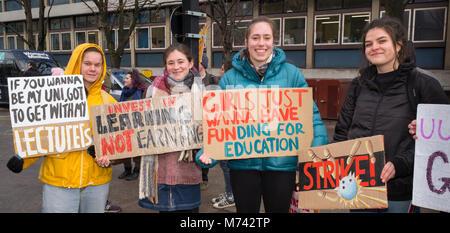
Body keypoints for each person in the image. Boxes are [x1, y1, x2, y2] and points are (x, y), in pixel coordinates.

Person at [196, 16, 328, 213]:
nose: (261, 43)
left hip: (282, 166)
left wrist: (316, 151)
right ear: (246, 42)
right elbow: (217, 123)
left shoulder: (292, 74)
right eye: (255, 37)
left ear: (274, 41)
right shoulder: (230, 78)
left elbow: (311, 117)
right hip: (243, 167)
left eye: (266, 37)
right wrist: (209, 151)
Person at [333, 16, 448, 213]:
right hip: (359, 187)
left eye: (382, 41)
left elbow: (440, 140)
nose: (374, 47)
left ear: (398, 45)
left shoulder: (422, 83)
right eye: (368, 44)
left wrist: (400, 164)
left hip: (400, 191)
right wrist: (338, 166)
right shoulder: (358, 85)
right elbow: (342, 130)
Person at [6, 43, 117, 213]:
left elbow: (119, 141)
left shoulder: (109, 101)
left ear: (103, 67)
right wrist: (23, 158)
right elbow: (41, 132)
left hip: (97, 183)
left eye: (97, 64)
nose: (93, 69)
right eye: (87, 63)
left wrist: (110, 155)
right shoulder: (51, 95)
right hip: (59, 181)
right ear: (76, 62)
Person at [137, 43, 205, 213]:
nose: (176, 67)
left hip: (188, 171)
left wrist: (208, 130)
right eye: (171, 63)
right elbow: (141, 124)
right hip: (161, 171)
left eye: (181, 61)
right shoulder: (153, 90)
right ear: (166, 65)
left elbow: (214, 130)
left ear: (190, 63)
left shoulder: (202, 91)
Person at [210, 58, 235, 209]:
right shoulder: (225, 85)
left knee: (227, 167)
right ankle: (228, 192)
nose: (219, 71)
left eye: (221, 68)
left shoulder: (229, 87)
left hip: (228, 135)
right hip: (224, 133)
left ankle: (231, 195)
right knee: (225, 166)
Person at [117, 69, 148, 181]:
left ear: (133, 80)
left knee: (136, 149)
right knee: (125, 148)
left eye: (127, 78)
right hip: (125, 125)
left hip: (137, 125)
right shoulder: (124, 91)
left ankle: (136, 170)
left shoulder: (141, 92)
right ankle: (127, 169)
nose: (124, 80)